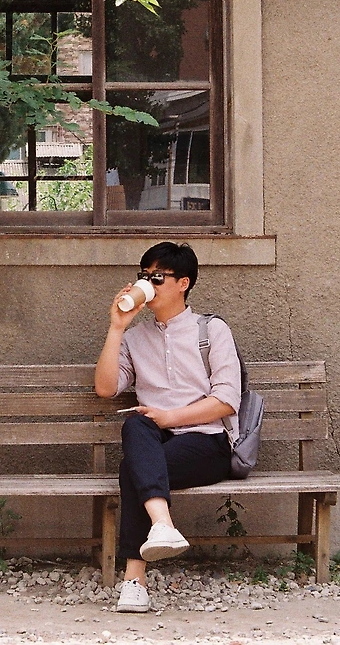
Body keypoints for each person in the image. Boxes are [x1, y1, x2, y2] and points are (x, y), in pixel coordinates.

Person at [94, 241, 241, 613]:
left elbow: (227, 401)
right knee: (135, 427)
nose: (147, 283)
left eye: (157, 277)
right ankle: (163, 525)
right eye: (143, 276)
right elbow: (106, 388)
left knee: (133, 468)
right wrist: (117, 327)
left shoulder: (212, 330)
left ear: (183, 283)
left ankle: (134, 581)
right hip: (156, 440)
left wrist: (170, 416)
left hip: (208, 442)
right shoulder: (135, 338)